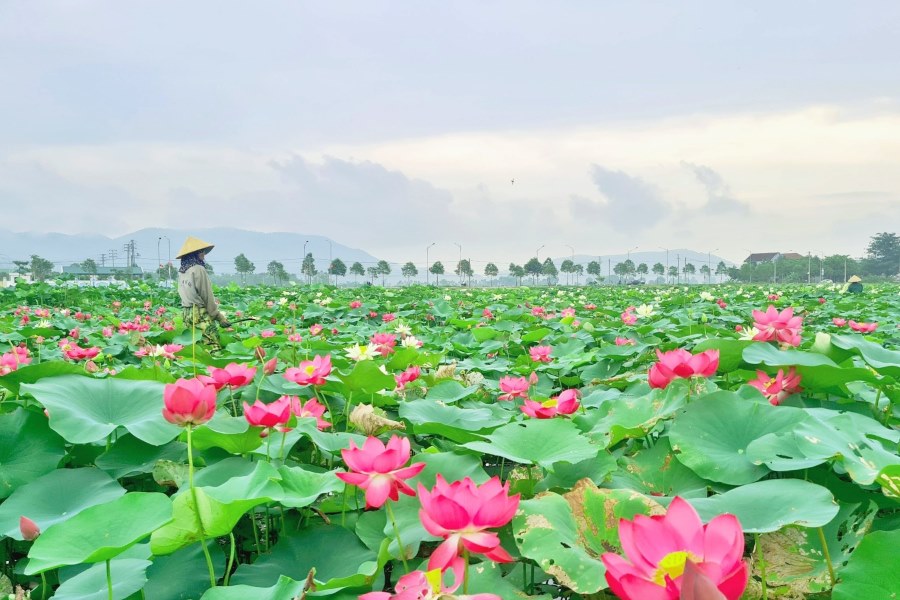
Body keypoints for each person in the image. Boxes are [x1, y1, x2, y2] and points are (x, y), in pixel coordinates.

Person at [176, 236, 230, 349]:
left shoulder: (182, 271)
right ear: (194, 253)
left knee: (194, 347)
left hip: (186, 314)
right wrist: (219, 317)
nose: (204, 255)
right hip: (199, 313)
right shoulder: (198, 269)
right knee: (211, 345)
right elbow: (207, 295)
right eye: (201, 252)